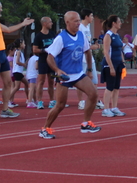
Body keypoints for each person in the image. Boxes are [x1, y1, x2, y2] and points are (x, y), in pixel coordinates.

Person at [38, 11, 101, 139]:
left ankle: (86, 123)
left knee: (93, 94)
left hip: (78, 73)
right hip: (64, 76)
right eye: (75, 21)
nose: (78, 23)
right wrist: (57, 71)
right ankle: (45, 129)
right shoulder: (61, 38)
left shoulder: (81, 35)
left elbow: (87, 52)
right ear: (67, 22)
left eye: (79, 20)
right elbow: (50, 57)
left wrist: (89, 69)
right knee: (60, 105)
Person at [0, 0, 33, 120]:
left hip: (2, 54)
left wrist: (23, 24)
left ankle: (5, 109)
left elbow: (9, 30)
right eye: (0, 8)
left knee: (8, 83)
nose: (2, 10)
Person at [76, 9, 104, 110]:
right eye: (91, 16)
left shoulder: (87, 27)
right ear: (86, 16)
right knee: (80, 81)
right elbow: (80, 44)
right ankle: (81, 101)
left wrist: (93, 46)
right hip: (81, 58)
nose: (92, 18)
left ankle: (94, 100)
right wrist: (91, 47)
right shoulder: (80, 28)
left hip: (89, 58)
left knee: (94, 81)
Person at [100, 15, 126, 118]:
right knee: (109, 87)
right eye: (119, 21)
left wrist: (123, 63)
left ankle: (114, 107)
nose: (120, 23)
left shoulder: (118, 36)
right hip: (110, 65)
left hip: (118, 64)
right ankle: (106, 109)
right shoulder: (108, 35)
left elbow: (120, 51)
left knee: (116, 87)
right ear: (114, 23)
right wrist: (111, 67)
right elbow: (106, 52)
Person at [32, 16, 57, 110]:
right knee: (41, 81)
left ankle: (52, 101)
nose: (52, 23)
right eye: (50, 22)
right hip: (43, 60)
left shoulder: (52, 34)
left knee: (51, 81)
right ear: (45, 23)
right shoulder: (38, 36)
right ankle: (39, 101)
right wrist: (45, 50)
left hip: (52, 61)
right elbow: (35, 49)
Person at [9, 38, 27, 108]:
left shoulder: (19, 52)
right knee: (16, 87)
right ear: (20, 44)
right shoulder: (18, 52)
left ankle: (29, 99)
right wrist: (24, 65)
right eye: (23, 43)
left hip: (18, 71)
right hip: (17, 71)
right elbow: (17, 62)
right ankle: (8, 100)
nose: (24, 45)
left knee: (26, 84)